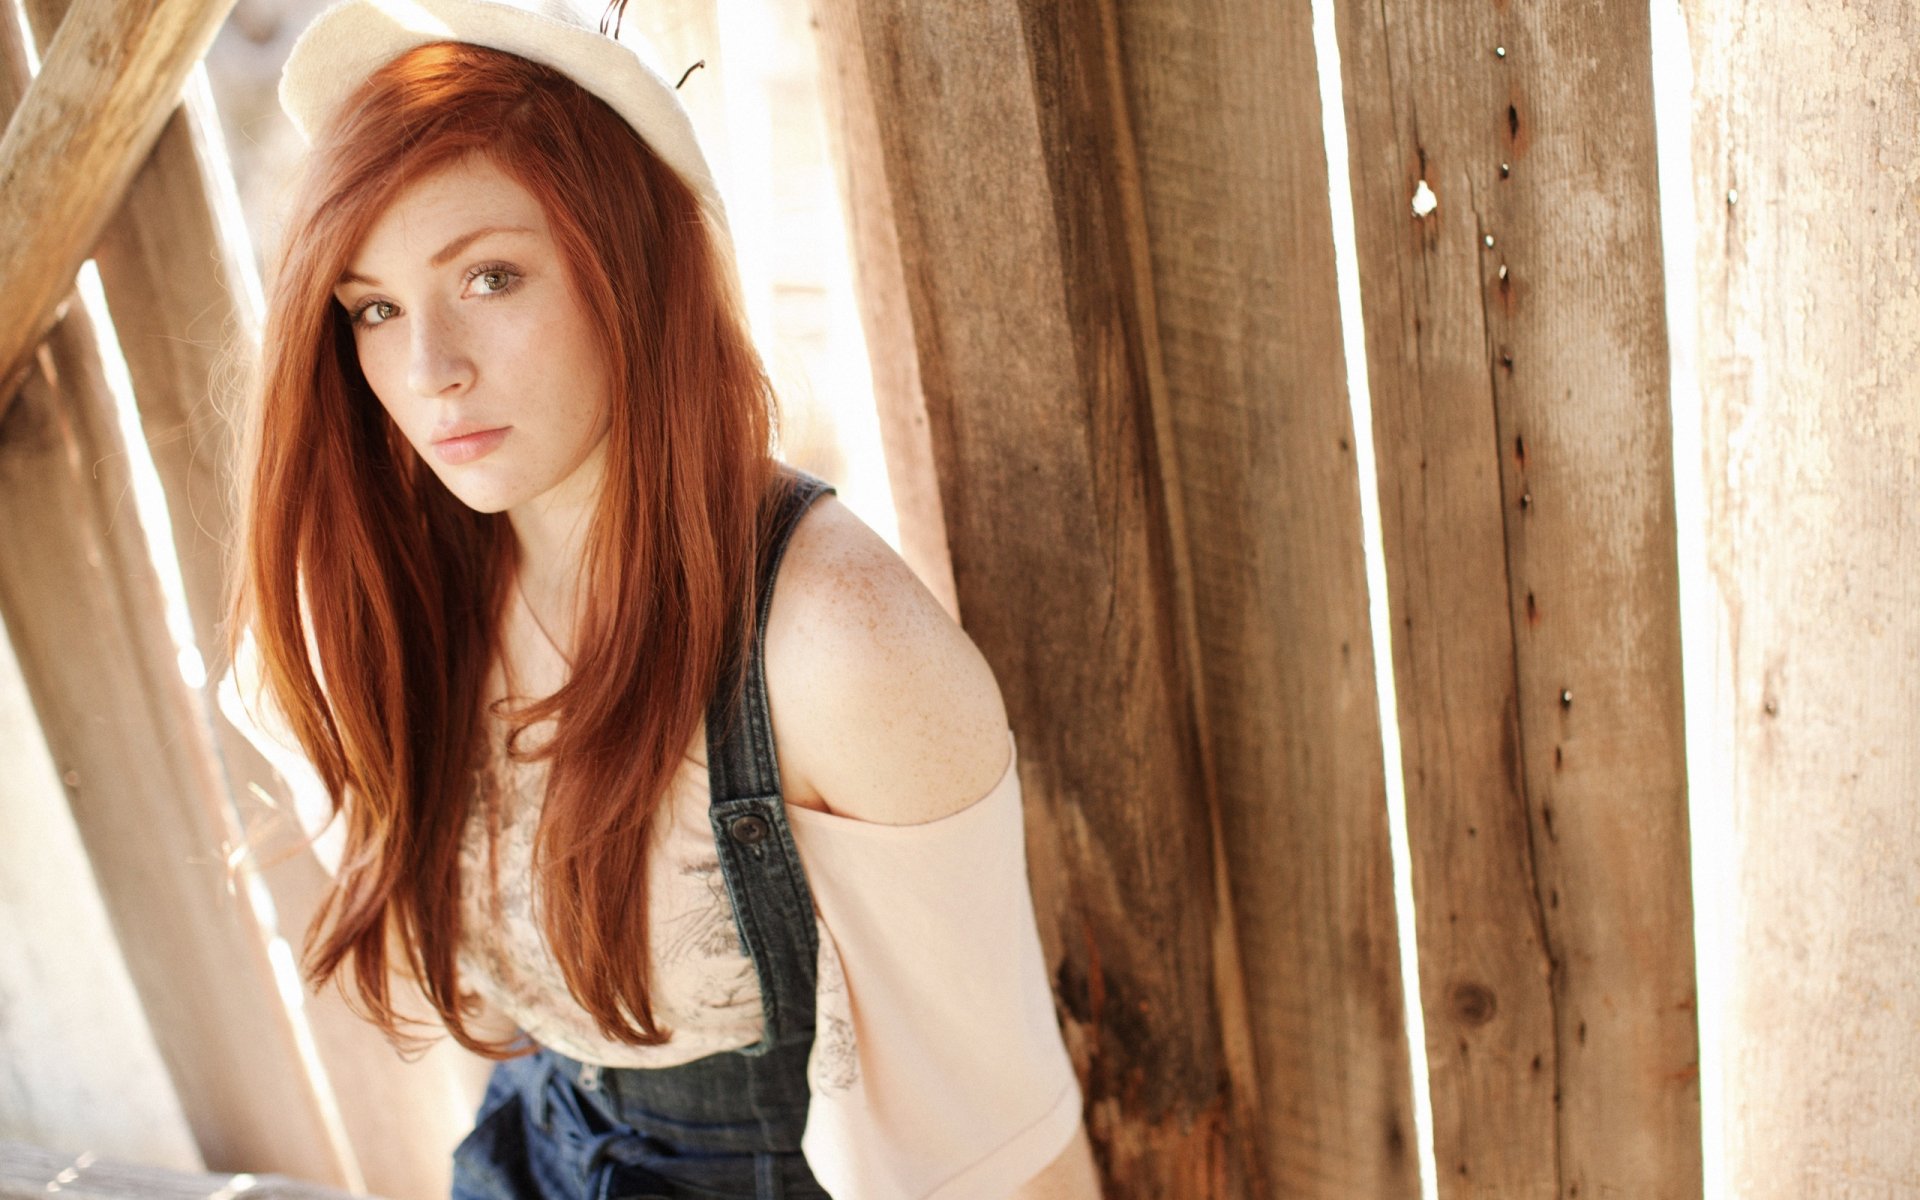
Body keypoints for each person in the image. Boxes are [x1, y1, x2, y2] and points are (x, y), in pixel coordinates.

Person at [224, 1, 1101, 1196]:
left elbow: (1004, 1145)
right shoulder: (387, 594)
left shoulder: (836, 649)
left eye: (490, 276)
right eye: (374, 307)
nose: (427, 368)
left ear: (633, 267)